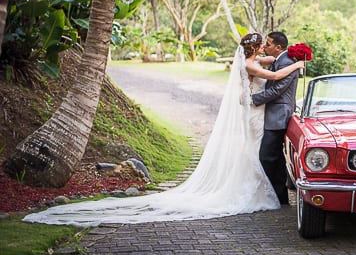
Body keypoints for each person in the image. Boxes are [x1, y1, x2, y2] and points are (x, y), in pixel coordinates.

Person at [22, 33, 304, 226]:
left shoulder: (253, 61)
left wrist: (292, 55)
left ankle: (263, 189)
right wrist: (300, 64)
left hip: (256, 115)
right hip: (255, 113)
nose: (266, 48)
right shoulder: (250, 64)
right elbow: (278, 74)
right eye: (262, 45)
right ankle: (256, 190)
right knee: (254, 152)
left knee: (253, 152)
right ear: (255, 49)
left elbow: (276, 65)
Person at [251, 31, 299, 205]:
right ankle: (280, 197)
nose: (265, 46)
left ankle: (277, 196)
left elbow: (276, 90)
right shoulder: (279, 60)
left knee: (267, 157)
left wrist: (252, 99)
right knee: (276, 157)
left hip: (279, 116)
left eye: (269, 44)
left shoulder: (287, 62)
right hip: (273, 114)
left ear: (279, 47)